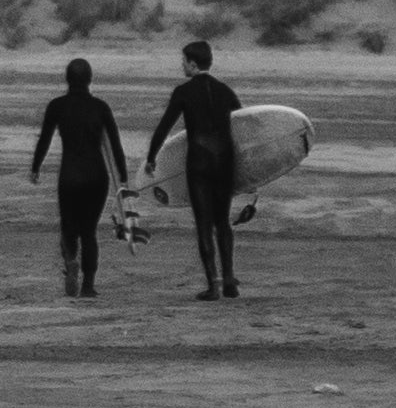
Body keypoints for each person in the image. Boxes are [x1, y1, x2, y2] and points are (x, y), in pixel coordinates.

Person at [150, 37, 247, 299]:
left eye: (183, 62)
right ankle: (229, 280)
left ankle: (213, 285)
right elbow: (243, 126)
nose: (181, 66)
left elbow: (164, 127)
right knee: (223, 222)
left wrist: (151, 158)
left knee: (204, 223)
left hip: (199, 164)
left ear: (193, 65)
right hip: (225, 162)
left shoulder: (183, 92)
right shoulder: (225, 91)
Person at [28, 55, 127, 296]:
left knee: (69, 227)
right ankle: (88, 285)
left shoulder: (57, 106)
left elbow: (44, 139)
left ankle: (71, 261)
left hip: (70, 176)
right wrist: (123, 178)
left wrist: (35, 167)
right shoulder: (101, 107)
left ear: (67, 79)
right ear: (90, 80)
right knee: (89, 231)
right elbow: (115, 145)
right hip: (97, 177)